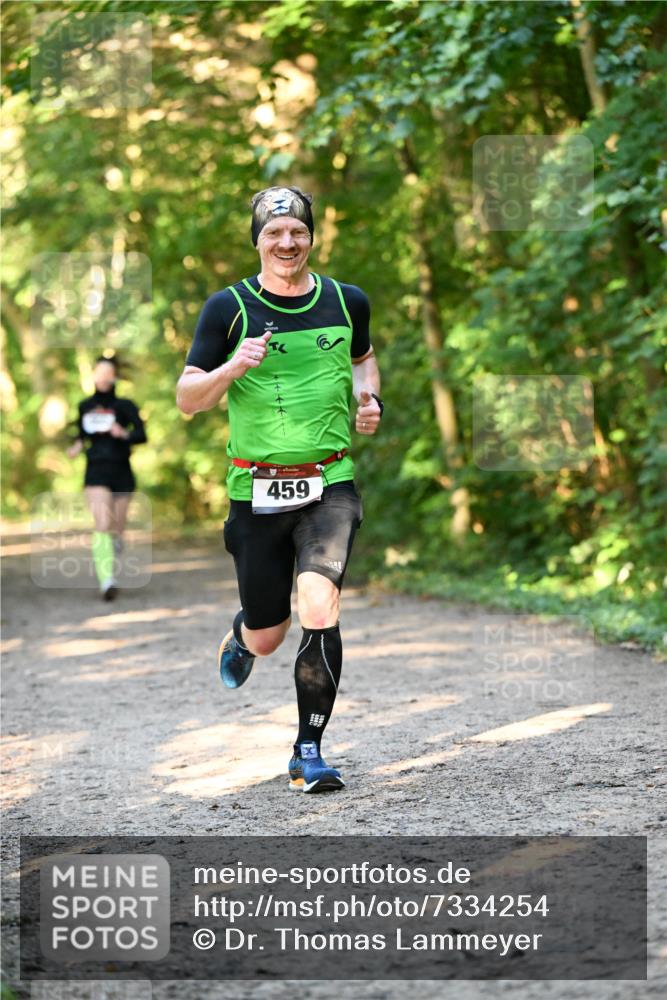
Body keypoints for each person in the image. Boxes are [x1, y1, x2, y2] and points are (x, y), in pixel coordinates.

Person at [177, 185, 383, 793]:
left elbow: (363, 360)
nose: (287, 242)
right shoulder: (227, 308)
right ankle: (244, 632)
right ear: (258, 240)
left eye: (297, 231)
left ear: (311, 236)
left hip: (330, 483)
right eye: (274, 233)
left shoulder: (348, 301)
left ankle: (308, 750)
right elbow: (189, 400)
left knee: (318, 605)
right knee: (269, 634)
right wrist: (233, 366)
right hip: (256, 489)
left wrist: (367, 397)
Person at [68, 355, 147, 600]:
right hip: (96, 471)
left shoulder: (126, 405)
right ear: (93, 375)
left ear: (114, 377)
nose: (102, 377)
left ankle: (113, 546)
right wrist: (77, 445)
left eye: (107, 372)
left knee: (117, 530)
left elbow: (142, 435)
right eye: (98, 372)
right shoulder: (84, 405)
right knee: (102, 525)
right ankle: (107, 581)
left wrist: (123, 433)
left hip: (121, 471)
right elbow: (81, 434)